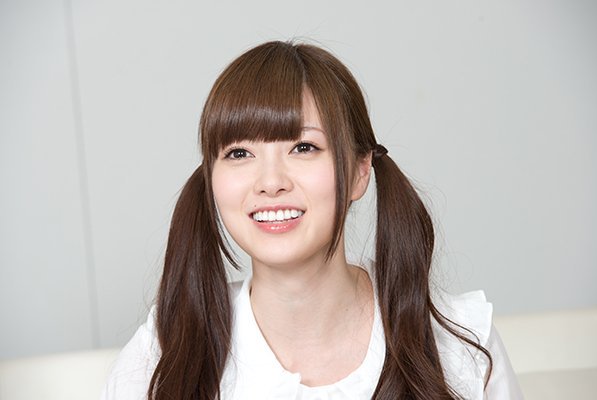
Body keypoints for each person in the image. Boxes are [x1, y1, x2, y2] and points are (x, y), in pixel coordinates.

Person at [102, 40, 522, 399]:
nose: (270, 182)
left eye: (303, 147)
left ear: (359, 170)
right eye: (239, 153)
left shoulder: (461, 345)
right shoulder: (163, 357)